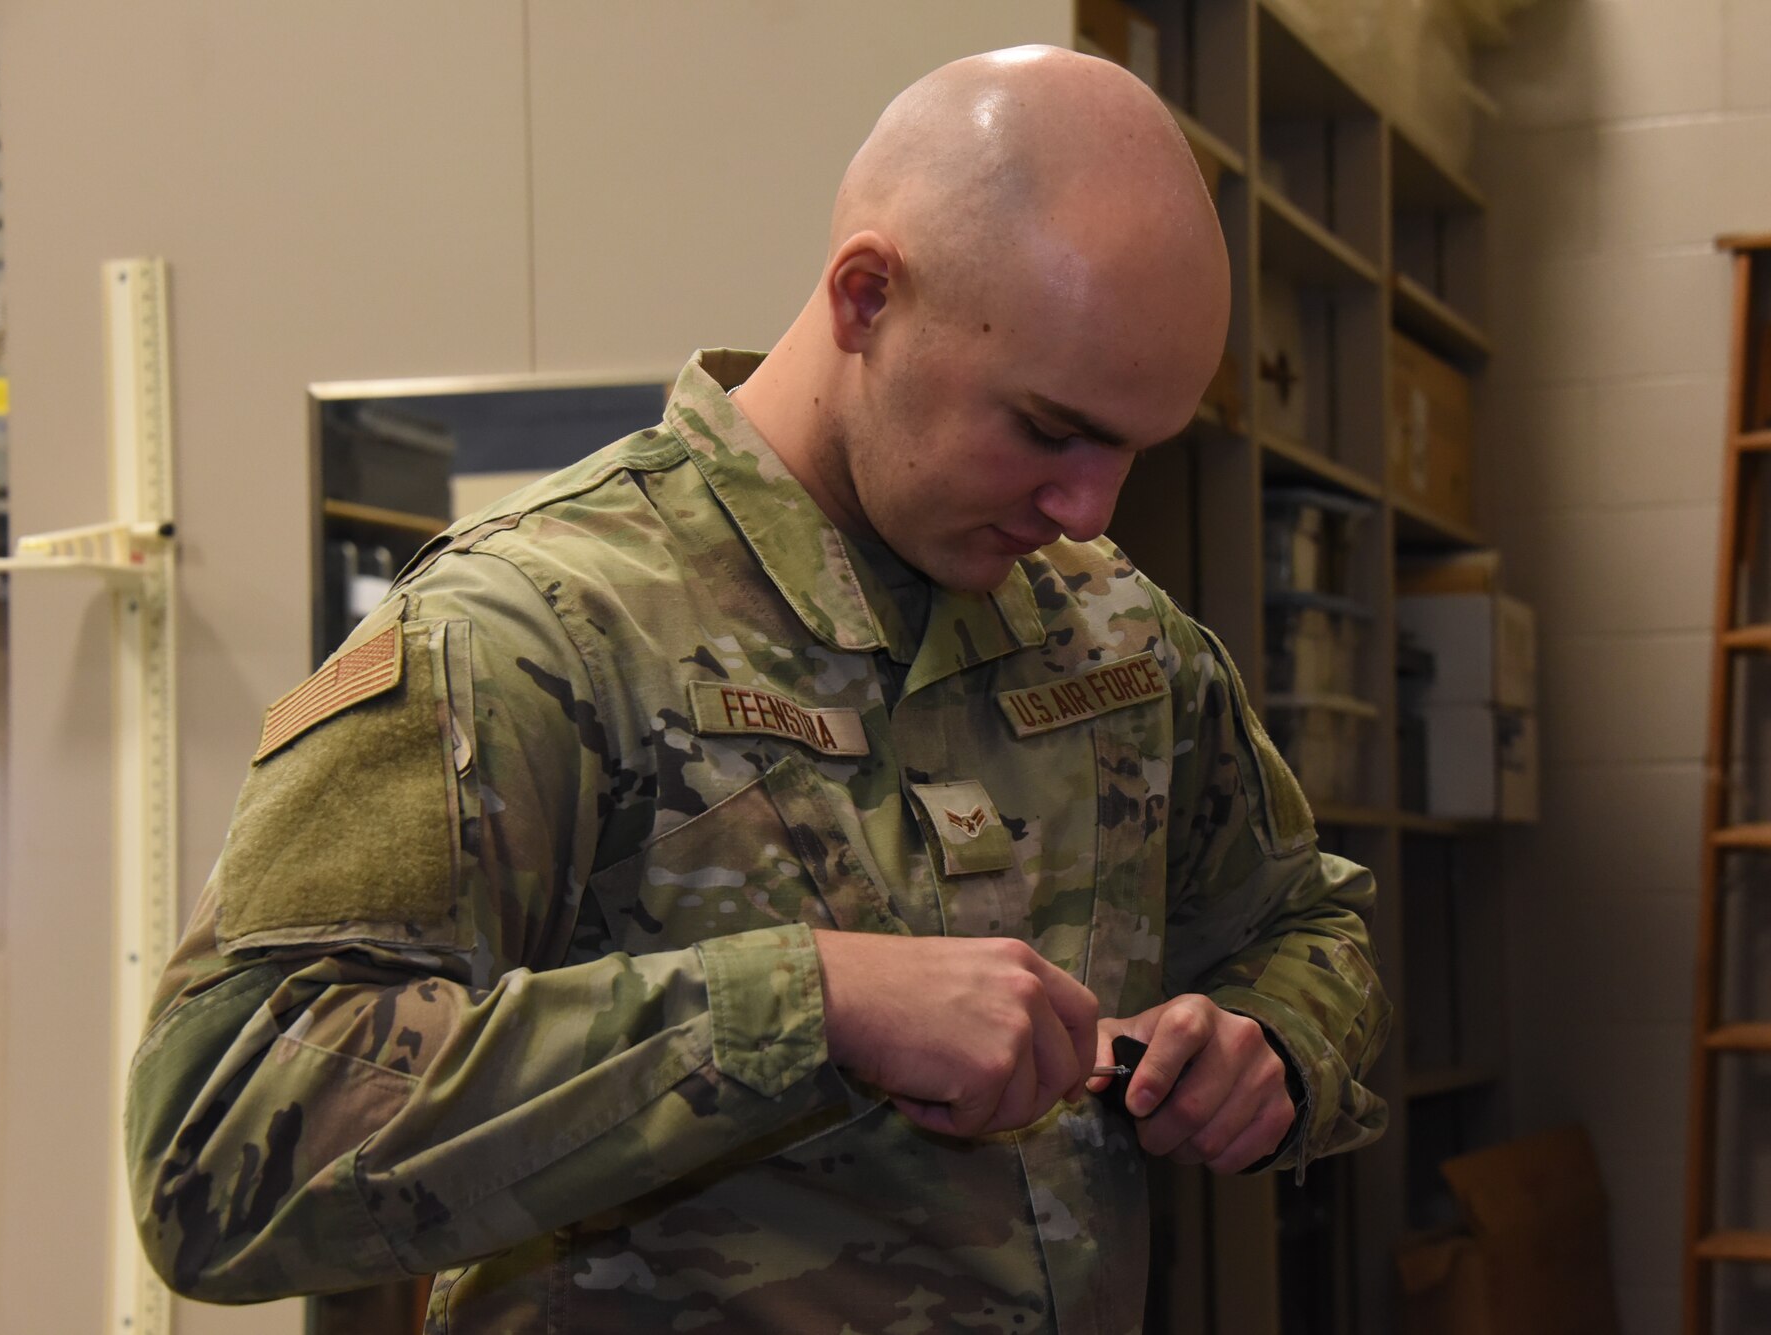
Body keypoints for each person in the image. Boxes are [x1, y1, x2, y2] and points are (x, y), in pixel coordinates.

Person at [127, 45, 1390, 1333]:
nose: (1088, 504)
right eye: (1050, 429)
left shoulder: (1114, 634)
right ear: (865, 297)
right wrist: (809, 1005)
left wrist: (1270, 1045)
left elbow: (1307, 926)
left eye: (1131, 449)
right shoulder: (534, 632)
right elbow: (215, 1143)